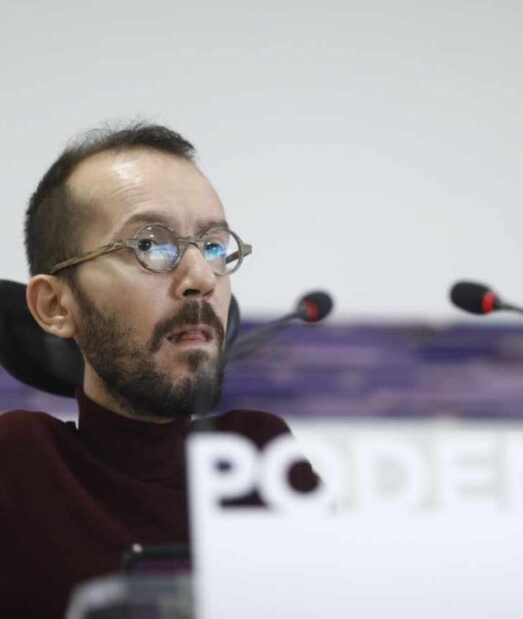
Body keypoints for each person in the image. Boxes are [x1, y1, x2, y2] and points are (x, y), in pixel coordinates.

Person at [0, 123, 318, 617]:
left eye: (214, 246)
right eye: (150, 245)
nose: (201, 278)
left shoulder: (257, 458)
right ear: (55, 306)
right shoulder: (20, 466)